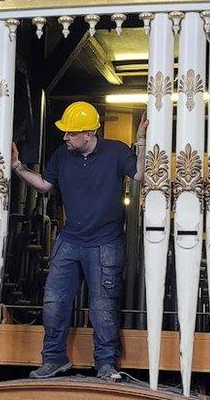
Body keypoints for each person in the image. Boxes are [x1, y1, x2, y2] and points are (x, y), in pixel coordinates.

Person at [11, 101, 146, 380]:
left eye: (71, 133)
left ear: (88, 133)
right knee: (53, 303)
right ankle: (54, 359)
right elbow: (45, 185)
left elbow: (141, 174)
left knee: (103, 308)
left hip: (105, 243)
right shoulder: (62, 155)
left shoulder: (116, 152)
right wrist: (16, 166)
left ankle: (106, 364)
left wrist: (142, 141)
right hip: (69, 240)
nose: (65, 137)